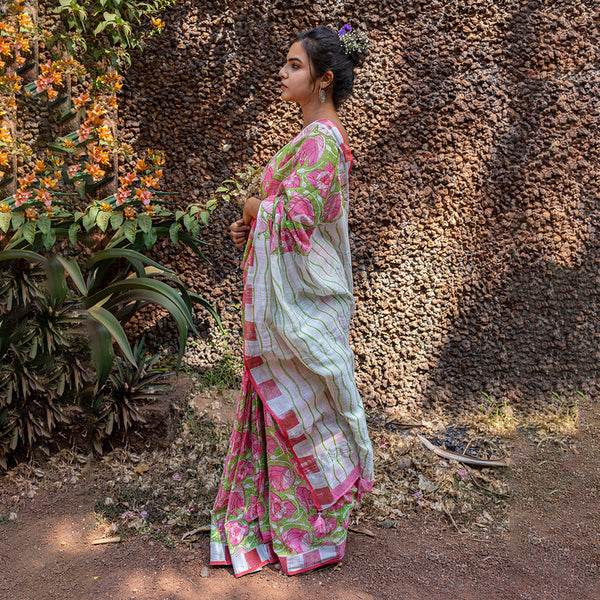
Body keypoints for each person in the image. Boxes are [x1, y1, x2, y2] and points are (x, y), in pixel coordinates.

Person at [210, 24, 374, 577]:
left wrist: (258, 208)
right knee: (284, 407)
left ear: (323, 80)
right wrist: (250, 224)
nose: (283, 73)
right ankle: (283, 525)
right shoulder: (306, 140)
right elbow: (283, 217)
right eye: (286, 64)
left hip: (306, 304)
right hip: (290, 301)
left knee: (310, 405)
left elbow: (296, 219)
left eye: (294, 65)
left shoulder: (324, 142)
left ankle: (311, 531)